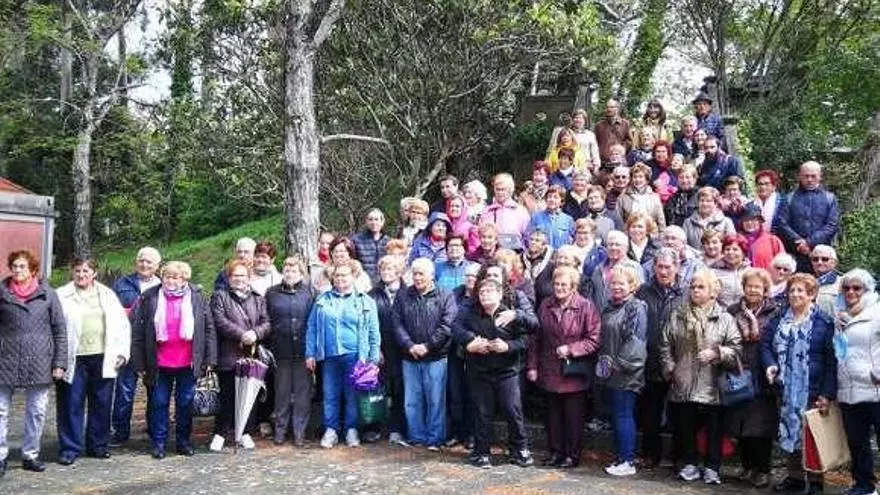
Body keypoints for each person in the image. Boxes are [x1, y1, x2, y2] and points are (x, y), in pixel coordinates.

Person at [660, 268, 741, 485]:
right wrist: (670, 369)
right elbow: (665, 344)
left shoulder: (725, 318)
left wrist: (717, 353)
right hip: (683, 380)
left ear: (713, 292)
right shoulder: (678, 315)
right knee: (685, 426)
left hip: (713, 384)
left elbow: (736, 349)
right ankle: (689, 464)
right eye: (693, 287)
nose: (695, 291)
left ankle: (713, 467)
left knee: (714, 428)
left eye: (701, 287)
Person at [131, 261, 216, 460]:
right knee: (158, 402)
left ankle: (183, 442)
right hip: (158, 362)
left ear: (185, 279)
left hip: (188, 361)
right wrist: (139, 363)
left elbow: (209, 329)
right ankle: (159, 443)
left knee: (185, 403)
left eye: (176, 277)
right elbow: (138, 332)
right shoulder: (150, 296)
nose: (171, 280)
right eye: (167, 276)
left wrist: (210, 359)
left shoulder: (197, 296)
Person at [761, 273, 836, 495]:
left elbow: (831, 361)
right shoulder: (778, 320)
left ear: (811, 294)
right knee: (789, 432)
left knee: (813, 437)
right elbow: (765, 346)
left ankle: (815, 481)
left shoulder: (824, 323)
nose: (795, 294)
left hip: (812, 389)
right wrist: (770, 364)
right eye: (792, 290)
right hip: (785, 388)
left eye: (800, 290)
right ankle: (795, 478)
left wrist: (826, 393)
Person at [453, 278, 537, 469]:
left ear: (499, 294)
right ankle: (481, 452)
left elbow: (525, 340)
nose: (484, 295)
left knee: (512, 409)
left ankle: (520, 449)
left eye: (489, 291)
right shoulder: (470, 313)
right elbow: (456, 328)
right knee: (482, 412)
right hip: (479, 371)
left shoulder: (509, 314)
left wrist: (508, 346)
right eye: (481, 292)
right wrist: (470, 342)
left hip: (507, 371)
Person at [55, 258, 130, 465]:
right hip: (73, 357)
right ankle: (70, 448)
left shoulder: (107, 295)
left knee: (102, 402)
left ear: (94, 273)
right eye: (77, 270)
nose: (81, 275)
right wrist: (56, 360)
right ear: (72, 272)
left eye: (86, 271)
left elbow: (122, 325)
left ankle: (98, 445)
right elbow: (54, 326)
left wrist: (122, 352)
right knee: (71, 403)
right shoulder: (60, 295)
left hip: (102, 355)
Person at [0, 250, 66, 476]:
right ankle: (1, 456)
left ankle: (30, 454)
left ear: (33, 270)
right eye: (14, 266)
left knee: (36, 411)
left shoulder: (48, 294)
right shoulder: (2, 292)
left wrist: (59, 362)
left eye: (22, 266)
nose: (17, 270)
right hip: (5, 359)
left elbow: (59, 329)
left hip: (40, 360)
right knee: (1, 411)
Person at [527, 266, 600, 469]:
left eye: (564, 285)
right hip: (549, 369)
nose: (559, 288)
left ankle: (572, 455)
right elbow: (535, 338)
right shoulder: (545, 305)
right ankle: (555, 452)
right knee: (553, 417)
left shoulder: (586, 307)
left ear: (573, 286)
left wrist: (571, 349)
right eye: (556, 284)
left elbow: (594, 339)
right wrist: (532, 366)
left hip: (574, 371)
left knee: (573, 418)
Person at [306, 261, 381, 449]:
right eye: (337, 275)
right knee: (330, 393)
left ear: (353, 277)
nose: (340, 279)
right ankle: (331, 430)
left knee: (352, 395)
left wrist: (373, 359)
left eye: (344, 275)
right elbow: (312, 327)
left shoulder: (365, 301)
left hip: (355, 355)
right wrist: (310, 353)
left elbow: (374, 332)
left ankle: (351, 430)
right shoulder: (322, 300)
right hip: (329, 355)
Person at [725, 268, 782, 488]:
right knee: (740, 424)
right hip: (738, 371)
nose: (753, 290)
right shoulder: (732, 311)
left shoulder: (774, 311)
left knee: (761, 426)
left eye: (758, 286)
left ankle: (763, 469)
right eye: (749, 286)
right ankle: (747, 466)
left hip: (763, 374)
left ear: (765, 289)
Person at [393, 258, 457, 451]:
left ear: (431, 275)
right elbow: (396, 323)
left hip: (436, 357)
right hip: (409, 356)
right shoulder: (403, 295)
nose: (417, 277)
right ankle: (416, 437)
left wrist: (428, 346)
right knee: (412, 401)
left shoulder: (445, 295)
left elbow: (447, 325)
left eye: (421, 274)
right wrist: (409, 345)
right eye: (415, 274)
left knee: (435, 400)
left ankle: (434, 438)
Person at [209, 260, 271, 452]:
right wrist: (242, 335)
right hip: (228, 354)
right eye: (235, 275)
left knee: (249, 396)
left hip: (251, 355)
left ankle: (244, 432)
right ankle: (221, 433)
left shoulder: (258, 298)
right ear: (229, 278)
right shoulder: (219, 296)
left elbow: (266, 322)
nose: (239, 279)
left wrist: (255, 334)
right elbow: (219, 320)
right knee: (227, 396)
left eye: (242, 275)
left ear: (249, 277)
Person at [635, 249, 686, 469]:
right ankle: (650, 454)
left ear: (677, 267)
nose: (664, 271)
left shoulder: (686, 292)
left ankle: (679, 457)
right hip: (650, 359)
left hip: (678, 361)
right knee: (650, 413)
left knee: (679, 413)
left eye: (668, 267)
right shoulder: (643, 291)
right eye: (660, 267)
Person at [599, 266, 648, 477]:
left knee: (624, 415)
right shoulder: (609, 307)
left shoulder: (636, 307)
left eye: (621, 283)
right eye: (613, 283)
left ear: (632, 285)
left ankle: (628, 460)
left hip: (627, 372)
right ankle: (620, 457)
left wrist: (618, 365)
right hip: (610, 372)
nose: (616, 287)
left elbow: (635, 343)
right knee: (617, 416)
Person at [110, 246, 162, 447]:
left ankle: (154, 430)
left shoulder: (163, 284)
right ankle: (120, 431)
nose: (144, 264)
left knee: (155, 390)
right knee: (124, 390)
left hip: (154, 346)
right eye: (141, 260)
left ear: (157, 265)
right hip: (128, 343)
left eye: (149, 261)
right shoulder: (122, 284)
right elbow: (111, 310)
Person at [835, 269, 880, 495]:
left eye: (856, 288)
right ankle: (864, 485)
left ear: (867, 289)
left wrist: (877, 373)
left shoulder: (876, 312)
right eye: (846, 288)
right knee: (857, 441)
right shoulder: (840, 315)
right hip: (848, 389)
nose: (851, 292)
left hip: (875, 388)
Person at [265, 256, 314, 446]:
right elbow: (266, 319)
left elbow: (313, 322)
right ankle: (280, 430)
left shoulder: (309, 292)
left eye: (294, 270)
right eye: (287, 269)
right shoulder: (271, 293)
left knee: (302, 395)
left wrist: (313, 351)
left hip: (303, 351)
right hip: (280, 350)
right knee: (281, 393)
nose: (290, 273)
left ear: (301, 273)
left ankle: (300, 432)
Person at [368, 256, 408, 446]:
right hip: (380, 348)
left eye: (390, 268)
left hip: (402, 349)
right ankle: (373, 428)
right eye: (383, 269)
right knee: (376, 389)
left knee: (399, 389)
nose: (385, 272)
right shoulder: (372, 295)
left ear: (399, 271)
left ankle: (397, 429)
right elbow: (367, 325)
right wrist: (375, 349)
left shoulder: (408, 293)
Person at [775, 161, 840, 273]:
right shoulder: (789, 198)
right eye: (806, 176)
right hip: (795, 254)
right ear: (800, 176)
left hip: (822, 257)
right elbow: (782, 223)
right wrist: (799, 242)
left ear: (820, 176)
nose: (809, 179)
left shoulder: (829, 198)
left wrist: (809, 242)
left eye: (813, 176)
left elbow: (831, 225)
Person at [447, 263, 481, 449]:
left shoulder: (482, 296)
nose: (470, 279)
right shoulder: (454, 294)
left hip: (476, 351)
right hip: (455, 350)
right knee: (455, 392)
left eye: (474, 276)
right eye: (467, 275)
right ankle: (456, 432)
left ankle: (472, 434)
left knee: (473, 394)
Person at [581, 230, 645, 313]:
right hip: (601, 316)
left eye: (617, 245)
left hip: (626, 316)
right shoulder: (598, 269)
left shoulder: (634, 268)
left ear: (626, 248)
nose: (613, 247)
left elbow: (640, 294)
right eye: (610, 244)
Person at [484, 173, 531, 251]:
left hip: (514, 253)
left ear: (511, 190)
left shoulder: (521, 211)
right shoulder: (487, 211)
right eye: (497, 189)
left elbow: (527, 237)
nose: (500, 193)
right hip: (490, 253)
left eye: (503, 189)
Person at [617, 163, 666, 230]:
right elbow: (619, 220)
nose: (637, 179)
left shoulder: (655, 197)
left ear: (646, 179)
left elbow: (661, 220)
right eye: (635, 177)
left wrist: (662, 233)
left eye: (640, 177)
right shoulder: (623, 197)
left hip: (651, 233)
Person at [527, 185, 575, 249]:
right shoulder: (536, 217)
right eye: (549, 197)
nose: (552, 199)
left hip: (560, 254)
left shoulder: (568, 220)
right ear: (546, 200)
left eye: (555, 197)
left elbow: (573, 241)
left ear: (561, 201)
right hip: (541, 253)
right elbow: (528, 237)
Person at [739, 203, 785, 270]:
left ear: (760, 221)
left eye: (753, 219)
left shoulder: (773, 240)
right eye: (746, 220)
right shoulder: (737, 240)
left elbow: (783, 264)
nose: (749, 222)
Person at [351, 208, 391, 284]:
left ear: (382, 222)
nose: (374, 222)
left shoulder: (389, 241)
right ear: (366, 222)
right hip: (363, 282)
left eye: (376, 219)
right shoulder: (356, 240)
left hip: (384, 282)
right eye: (370, 219)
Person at [711, 234, 751, 307]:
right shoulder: (713, 272)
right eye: (727, 249)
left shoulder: (751, 273)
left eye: (735, 249)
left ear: (743, 253)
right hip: (720, 312)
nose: (730, 252)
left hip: (744, 312)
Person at [522, 231, 555, 310]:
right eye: (531, 239)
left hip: (545, 301)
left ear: (544, 245)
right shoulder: (521, 258)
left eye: (537, 240)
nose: (533, 242)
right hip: (526, 300)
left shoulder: (552, 261)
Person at [595, 98, 632, 165]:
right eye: (607, 107)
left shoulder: (625, 124)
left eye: (611, 107)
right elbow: (595, 143)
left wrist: (622, 149)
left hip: (619, 162)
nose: (609, 109)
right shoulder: (599, 125)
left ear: (617, 109)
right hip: (603, 162)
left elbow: (629, 141)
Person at [812, 244, 842, 316]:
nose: (819, 262)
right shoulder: (805, 283)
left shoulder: (843, 283)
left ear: (835, 262)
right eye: (815, 259)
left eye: (825, 259)